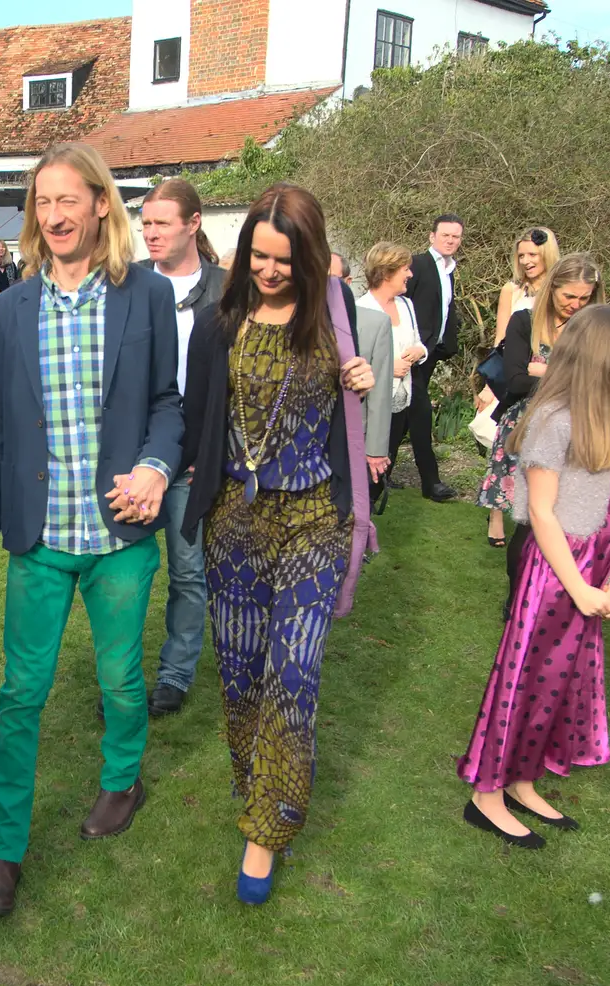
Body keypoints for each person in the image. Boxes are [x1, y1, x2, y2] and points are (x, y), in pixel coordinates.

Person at [0, 143, 182, 917]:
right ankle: (5, 845)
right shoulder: (14, 307)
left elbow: (168, 400)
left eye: (68, 199)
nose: (54, 215)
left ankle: (122, 777)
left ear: (99, 204)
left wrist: (156, 465)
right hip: (41, 537)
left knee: (122, 680)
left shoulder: (145, 293)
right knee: (21, 691)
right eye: (41, 202)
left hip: (120, 534)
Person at [182, 183, 376, 904]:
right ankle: (258, 783)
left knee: (292, 678)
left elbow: (351, 400)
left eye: (282, 258)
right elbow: (195, 416)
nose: (267, 269)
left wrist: (360, 376)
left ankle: (267, 830)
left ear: (310, 255)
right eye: (258, 255)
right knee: (240, 680)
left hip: (313, 520)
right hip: (234, 519)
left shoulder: (335, 311)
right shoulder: (218, 322)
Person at [457, 304, 610, 848]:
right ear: (601, 358)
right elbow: (541, 513)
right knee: (523, 681)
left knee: (558, 686)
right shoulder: (552, 419)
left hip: (593, 572)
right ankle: (487, 795)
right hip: (557, 575)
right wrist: (581, 586)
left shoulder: (605, 417)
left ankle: (522, 780)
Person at [137, 177, 225, 715]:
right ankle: (122, 681)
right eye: (145, 223)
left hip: (195, 455)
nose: (150, 233)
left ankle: (175, 672)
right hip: (132, 455)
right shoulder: (124, 285)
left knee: (188, 572)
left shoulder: (226, 289)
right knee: (121, 572)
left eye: (161, 222)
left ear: (193, 223)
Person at [478, 254, 603, 551]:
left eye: (584, 298)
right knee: (523, 509)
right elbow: (517, 381)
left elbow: (598, 380)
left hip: (572, 426)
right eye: (569, 296)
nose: (575, 304)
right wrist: (570, 374)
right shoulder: (525, 321)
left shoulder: (592, 329)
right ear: (552, 288)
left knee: (551, 512)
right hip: (525, 422)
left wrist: (540, 369)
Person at [392, 214, 464, 501]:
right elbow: (399, 302)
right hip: (410, 353)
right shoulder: (419, 265)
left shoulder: (449, 270)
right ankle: (431, 482)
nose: (450, 240)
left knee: (404, 417)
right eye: (445, 235)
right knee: (421, 413)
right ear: (432, 236)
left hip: (428, 354)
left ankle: (379, 472)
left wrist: (443, 344)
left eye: (455, 236)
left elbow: (445, 310)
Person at [356, 242, 425, 499]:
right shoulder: (361, 309)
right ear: (387, 273)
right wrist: (385, 367)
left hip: (402, 398)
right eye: (405, 269)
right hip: (373, 407)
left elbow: (418, 341)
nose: (410, 274)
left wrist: (420, 351)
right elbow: (353, 364)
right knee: (366, 473)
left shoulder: (406, 305)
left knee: (384, 466)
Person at [493, 227, 560, 347]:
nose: (525, 261)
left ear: (547, 254)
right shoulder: (511, 290)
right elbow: (500, 338)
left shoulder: (561, 289)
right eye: (521, 256)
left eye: (532, 254)